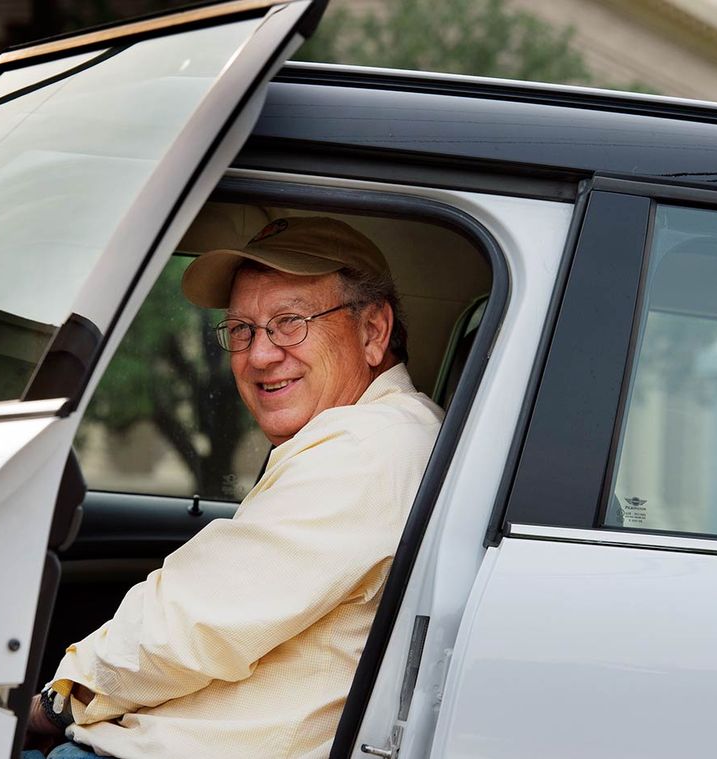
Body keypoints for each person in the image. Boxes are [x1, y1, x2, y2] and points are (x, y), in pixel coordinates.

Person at [24, 216, 444, 759]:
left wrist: (57, 704)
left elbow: (188, 625)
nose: (260, 355)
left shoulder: (369, 445)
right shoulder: (378, 434)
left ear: (374, 332)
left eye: (290, 322)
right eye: (242, 329)